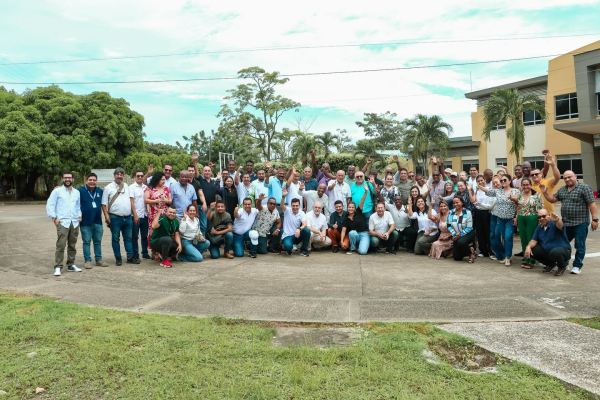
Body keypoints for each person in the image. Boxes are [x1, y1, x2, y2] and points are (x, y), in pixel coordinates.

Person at [540, 170, 598, 275]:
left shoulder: (584, 188)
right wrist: (545, 193)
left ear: (575, 176)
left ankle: (577, 265)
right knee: (562, 244)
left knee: (579, 245)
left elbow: (592, 204)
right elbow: (552, 199)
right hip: (566, 223)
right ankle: (564, 263)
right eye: (565, 178)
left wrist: (595, 219)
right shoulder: (562, 189)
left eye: (569, 177)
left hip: (580, 223)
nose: (567, 179)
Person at [46, 171, 83, 276]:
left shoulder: (76, 192)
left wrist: (79, 215)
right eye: (65, 178)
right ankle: (58, 266)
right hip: (63, 222)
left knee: (72, 244)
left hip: (74, 222)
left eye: (69, 178)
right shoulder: (57, 191)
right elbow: (50, 205)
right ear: (62, 179)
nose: (68, 179)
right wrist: (54, 218)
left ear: (73, 179)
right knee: (61, 245)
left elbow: (78, 206)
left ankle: (71, 264)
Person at [479, 174, 519, 266]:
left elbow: (518, 203)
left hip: (510, 219)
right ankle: (506, 256)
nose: (503, 182)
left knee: (508, 237)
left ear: (509, 181)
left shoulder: (515, 191)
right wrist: (480, 186)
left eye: (505, 180)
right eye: (501, 181)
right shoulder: (498, 191)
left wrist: (514, 200)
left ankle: (508, 257)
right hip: (500, 219)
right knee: (502, 237)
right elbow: (488, 191)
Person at [101, 167, 137, 266]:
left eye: (121, 174)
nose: (119, 176)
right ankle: (118, 258)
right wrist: (106, 216)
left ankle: (130, 257)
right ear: (114, 175)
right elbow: (103, 204)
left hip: (128, 217)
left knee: (128, 238)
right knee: (115, 238)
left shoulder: (126, 186)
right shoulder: (108, 188)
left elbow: (131, 201)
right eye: (118, 174)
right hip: (115, 217)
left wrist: (134, 215)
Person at [525, 209, 572, 276]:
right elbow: (533, 240)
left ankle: (562, 266)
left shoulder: (554, 224)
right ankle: (550, 264)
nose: (541, 218)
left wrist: (557, 220)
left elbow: (560, 225)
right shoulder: (539, 227)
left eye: (543, 216)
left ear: (548, 216)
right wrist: (528, 247)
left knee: (555, 252)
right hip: (549, 251)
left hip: (563, 251)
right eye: (539, 217)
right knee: (532, 250)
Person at [77, 172, 109, 269]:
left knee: (97, 241)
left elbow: (106, 201)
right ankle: (87, 261)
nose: (92, 182)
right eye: (90, 180)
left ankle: (98, 259)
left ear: (96, 181)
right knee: (86, 242)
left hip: (97, 221)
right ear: (86, 181)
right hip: (85, 222)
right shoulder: (80, 191)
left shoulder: (99, 191)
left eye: (94, 180)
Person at [515, 178, 544, 268]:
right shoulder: (520, 195)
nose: (525, 186)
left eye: (527, 184)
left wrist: (541, 219)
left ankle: (532, 259)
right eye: (523, 185)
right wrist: (516, 218)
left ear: (530, 185)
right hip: (521, 218)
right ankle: (526, 257)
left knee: (530, 238)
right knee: (523, 239)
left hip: (532, 218)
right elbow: (518, 208)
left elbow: (541, 207)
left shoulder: (536, 195)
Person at [144, 172, 172, 248]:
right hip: (154, 214)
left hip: (165, 214)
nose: (164, 181)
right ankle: (154, 251)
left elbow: (170, 200)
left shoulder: (166, 188)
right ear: (157, 179)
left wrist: (167, 201)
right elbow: (146, 200)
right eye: (162, 180)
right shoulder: (149, 188)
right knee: (154, 231)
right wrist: (156, 201)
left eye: (164, 180)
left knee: (164, 231)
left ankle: (163, 250)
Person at [280, 187, 310, 256]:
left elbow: (304, 224)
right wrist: (283, 196)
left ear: (299, 205)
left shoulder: (301, 213)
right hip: (287, 235)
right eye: (293, 206)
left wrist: (299, 229)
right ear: (291, 205)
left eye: (297, 206)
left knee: (307, 231)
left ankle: (303, 250)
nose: (295, 207)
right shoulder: (287, 210)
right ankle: (288, 247)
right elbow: (282, 205)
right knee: (288, 247)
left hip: (297, 234)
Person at [340, 186, 370, 255]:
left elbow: (362, 200)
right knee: (352, 232)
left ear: (355, 208)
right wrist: (341, 241)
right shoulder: (346, 218)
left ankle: (361, 246)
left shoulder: (359, 212)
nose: (351, 209)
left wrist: (365, 192)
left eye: (352, 207)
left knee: (363, 252)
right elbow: (343, 231)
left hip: (364, 234)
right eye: (349, 207)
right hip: (354, 235)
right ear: (347, 208)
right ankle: (353, 248)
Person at [468, 175, 492, 258]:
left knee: (487, 231)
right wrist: (471, 190)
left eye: (482, 180)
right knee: (480, 232)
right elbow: (472, 200)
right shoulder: (477, 190)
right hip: (478, 212)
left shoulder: (489, 189)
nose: (480, 182)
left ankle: (490, 250)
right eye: (478, 181)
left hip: (487, 212)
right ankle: (483, 250)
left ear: (485, 180)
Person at [447, 197, 476, 263]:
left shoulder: (467, 212)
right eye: (454, 203)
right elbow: (448, 225)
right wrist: (454, 234)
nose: (455, 204)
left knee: (461, 242)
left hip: (468, 233)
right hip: (456, 234)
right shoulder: (451, 212)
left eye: (457, 202)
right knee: (457, 258)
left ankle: (470, 254)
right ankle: (470, 248)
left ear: (462, 202)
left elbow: (469, 227)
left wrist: (459, 235)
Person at [130, 169, 150, 262]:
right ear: (134, 177)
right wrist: (135, 215)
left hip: (145, 215)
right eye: (138, 176)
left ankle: (145, 253)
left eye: (141, 176)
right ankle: (135, 254)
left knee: (144, 236)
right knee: (134, 236)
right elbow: (131, 202)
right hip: (136, 215)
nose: (140, 177)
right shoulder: (131, 188)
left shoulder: (146, 188)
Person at [196, 166, 214, 235]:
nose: (207, 172)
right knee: (203, 225)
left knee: (210, 225)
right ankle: (203, 242)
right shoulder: (200, 179)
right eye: (205, 171)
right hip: (202, 206)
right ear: (202, 172)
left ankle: (209, 242)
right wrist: (195, 161)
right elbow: (196, 173)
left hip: (211, 207)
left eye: (209, 171)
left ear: (211, 172)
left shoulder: (212, 181)